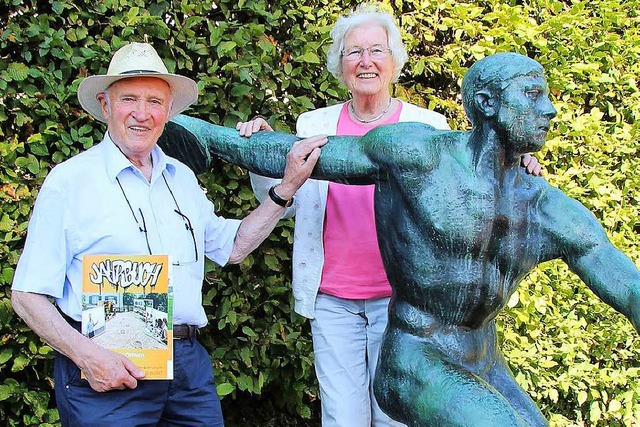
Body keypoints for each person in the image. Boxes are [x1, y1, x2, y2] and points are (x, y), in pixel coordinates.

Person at [162, 51, 640, 426]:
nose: (551, 109)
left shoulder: (545, 206)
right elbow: (301, 154)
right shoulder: (420, 154)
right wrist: (203, 132)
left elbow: (615, 273)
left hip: (483, 359)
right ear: (489, 104)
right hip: (415, 352)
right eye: (533, 95)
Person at [233, 5, 540, 426]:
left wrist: (519, 164)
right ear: (339, 65)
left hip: (403, 303)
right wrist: (259, 155)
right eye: (353, 52)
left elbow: (478, 178)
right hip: (332, 298)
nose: (365, 61)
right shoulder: (313, 124)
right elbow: (290, 203)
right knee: (343, 418)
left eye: (376, 50)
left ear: (394, 61)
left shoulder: (427, 125)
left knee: (397, 416)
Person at [10, 42, 321, 427]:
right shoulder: (69, 182)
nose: (142, 114)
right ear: (105, 105)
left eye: (155, 102)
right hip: (108, 369)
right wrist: (87, 356)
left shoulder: (182, 178)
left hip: (187, 368)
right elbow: (26, 294)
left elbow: (233, 246)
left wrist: (285, 188)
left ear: (168, 110)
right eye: (129, 99)